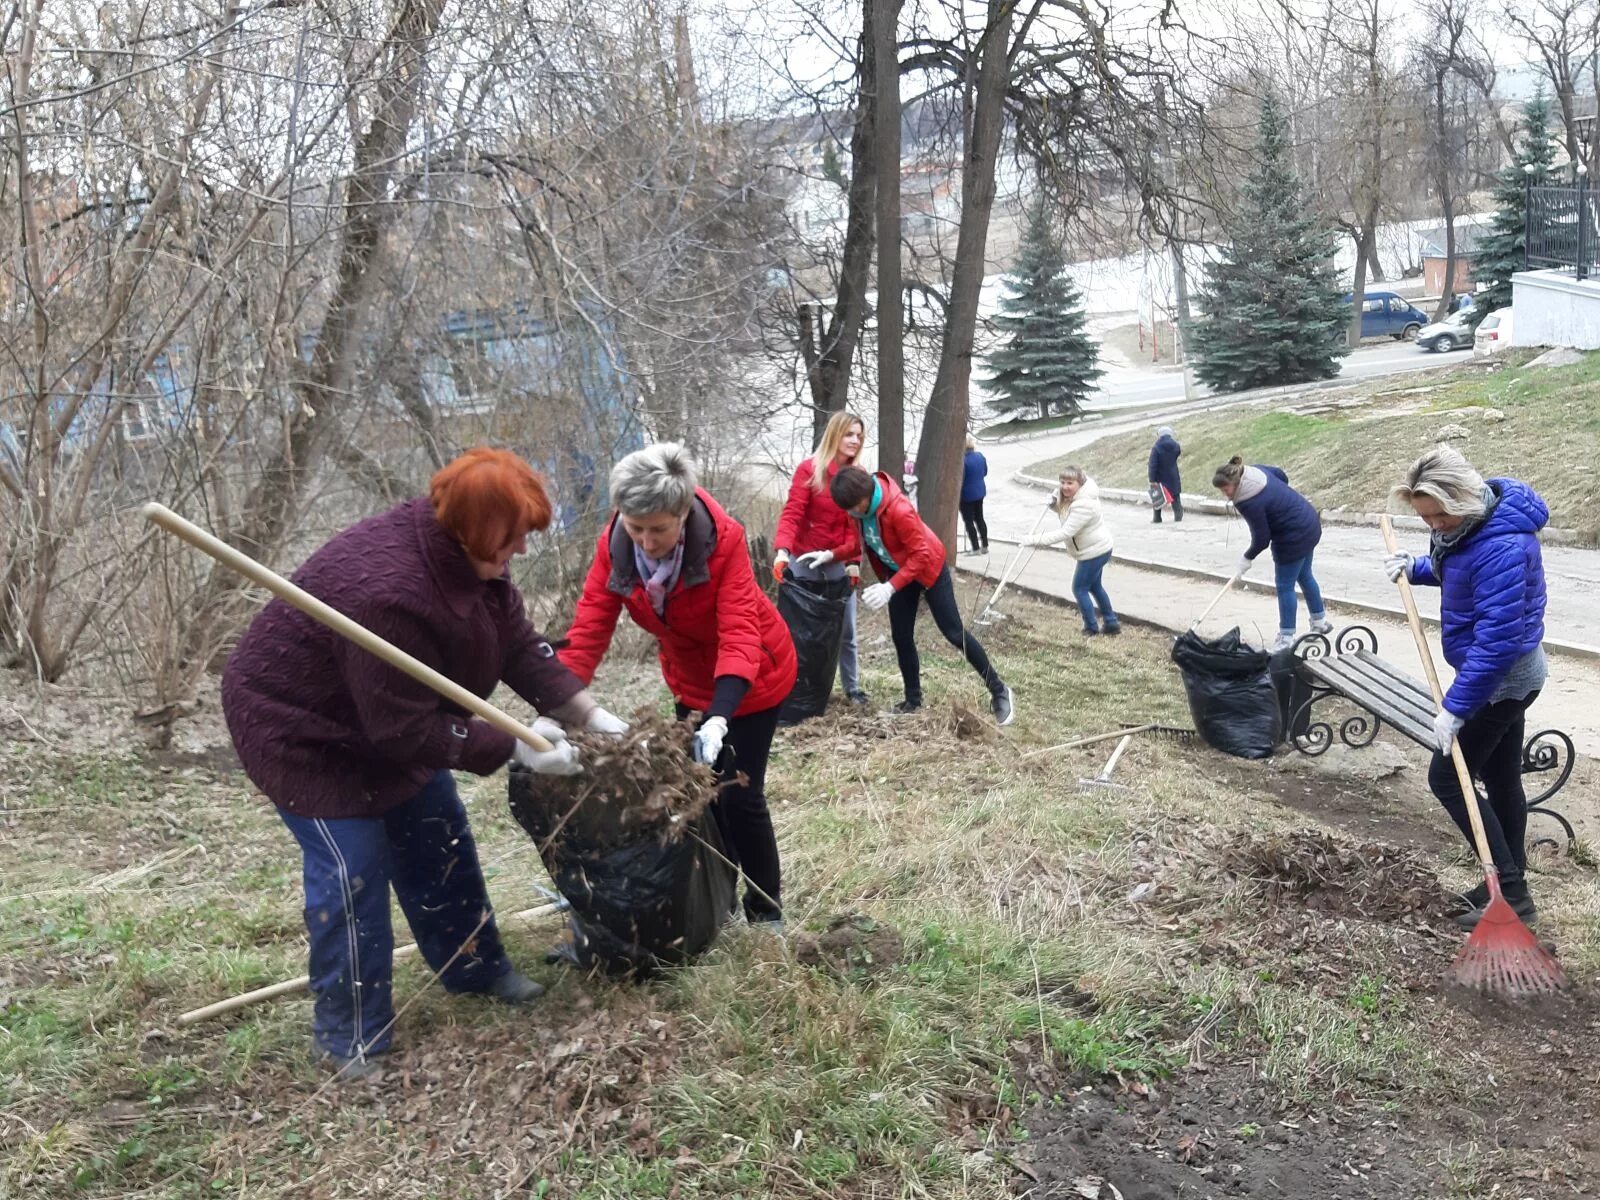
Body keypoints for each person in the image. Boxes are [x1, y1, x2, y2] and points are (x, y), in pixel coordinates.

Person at [221, 448, 629, 1081]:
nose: (520, 550)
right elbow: (404, 730)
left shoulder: (471, 554)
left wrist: (586, 713)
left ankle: (476, 971)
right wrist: (514, 744)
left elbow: (516, 645)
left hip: (386, 713)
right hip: (304, 730)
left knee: (436, 832)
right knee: (352, 871)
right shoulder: (389, 592)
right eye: (512, 538)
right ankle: (349, 1034)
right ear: (474, 529)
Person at [560, 443, 798, 929]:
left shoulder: (723, 542)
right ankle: (718, 899)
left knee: (739, 793)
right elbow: (587, 632)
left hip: (754, 676)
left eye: (659, 529)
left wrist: (719, 716)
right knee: (696, 794)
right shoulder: (615, 551)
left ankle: (766, 910)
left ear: (684, 512)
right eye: (636, 527)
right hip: (690, 680)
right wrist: (556, 703)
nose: (646, 542)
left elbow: (739, 633)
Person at [1384, 446, 1549, 927]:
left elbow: (1497, 642)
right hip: (1507, 678)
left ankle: (1513, 895)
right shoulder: (1472, 528)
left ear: (1464, 498)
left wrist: (1456, 707)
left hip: (1502, 681)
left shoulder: (1501, 545)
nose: (1434, 525)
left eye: (1439, 514)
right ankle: (1506, 880)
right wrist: (1412, 568)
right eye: (1425, 517)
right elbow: (1456, 570)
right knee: (1499, 780)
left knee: (1446, 779)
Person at [829, 464, 1015, 726]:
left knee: (953, 632)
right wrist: (830, 555)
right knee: (901, 636)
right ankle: (913, 701)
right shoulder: (860, 509)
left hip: (929, 567)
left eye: (851, 507)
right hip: (899, 572)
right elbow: (855, 543)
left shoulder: (898, 509)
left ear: (864, 498)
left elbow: (921, 555)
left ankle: (999, 690)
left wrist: (889, 587)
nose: (849, 513)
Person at [772, 410, 868, 705]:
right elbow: (793, 513)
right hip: (804, 560)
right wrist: (782, 552)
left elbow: (857, 526)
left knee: (846, 631)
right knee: (800, 633)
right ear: (835, 435)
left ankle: (852, 689)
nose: (854, 440)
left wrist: (852, 561)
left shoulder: (858, 476)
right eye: (849, 434)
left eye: (859, 436)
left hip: (838, 563)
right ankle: (794, 689)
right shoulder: (809, 471)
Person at [1212, 456, 1331, 651]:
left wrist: (1247, 558)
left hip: (1292, 535)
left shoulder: (1248, 501)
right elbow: (1280, 475)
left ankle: (1286, 638)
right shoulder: (1255, 471)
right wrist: (1280, 501)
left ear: (1236, 483)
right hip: (1308, 520)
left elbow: (1262, 538)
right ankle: (1320, 622)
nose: (1226, 495)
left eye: (1226, 490)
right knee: (1304, 574)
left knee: (1285, 586)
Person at [1023, 467, 1119, 636]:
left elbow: (1066, 532)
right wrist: (1054, 505)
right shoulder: (1076, 498)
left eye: (1070, 483)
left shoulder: (1084, 505)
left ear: (1080, 484)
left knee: (1079, 588)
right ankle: (1111, 623)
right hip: (1097, 547)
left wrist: (1033, 540)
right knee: (1095, 586)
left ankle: (1091, 627)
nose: (1065, 487)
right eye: (1062, 482)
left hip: (1094, 552)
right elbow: (1066, 513)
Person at [960, 434, 990, 555]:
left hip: (967, 495)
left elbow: (960, 479)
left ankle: (975, 548)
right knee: (980, 518)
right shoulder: (980, 456)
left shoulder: (962, 461)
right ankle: (985, 545)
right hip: (980, 492)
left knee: (969, 521)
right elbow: (985, 472)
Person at [1148, 426, 1183, 523]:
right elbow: (1178, 453)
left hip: (1159, 476)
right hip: (1173, 474)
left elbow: (1152, 465)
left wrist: (1152, 479)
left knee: (1157, 497)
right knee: (1175, 495)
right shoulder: (1176, 445)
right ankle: (1178, 515)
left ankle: (1157, 517)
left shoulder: (1156, 448)